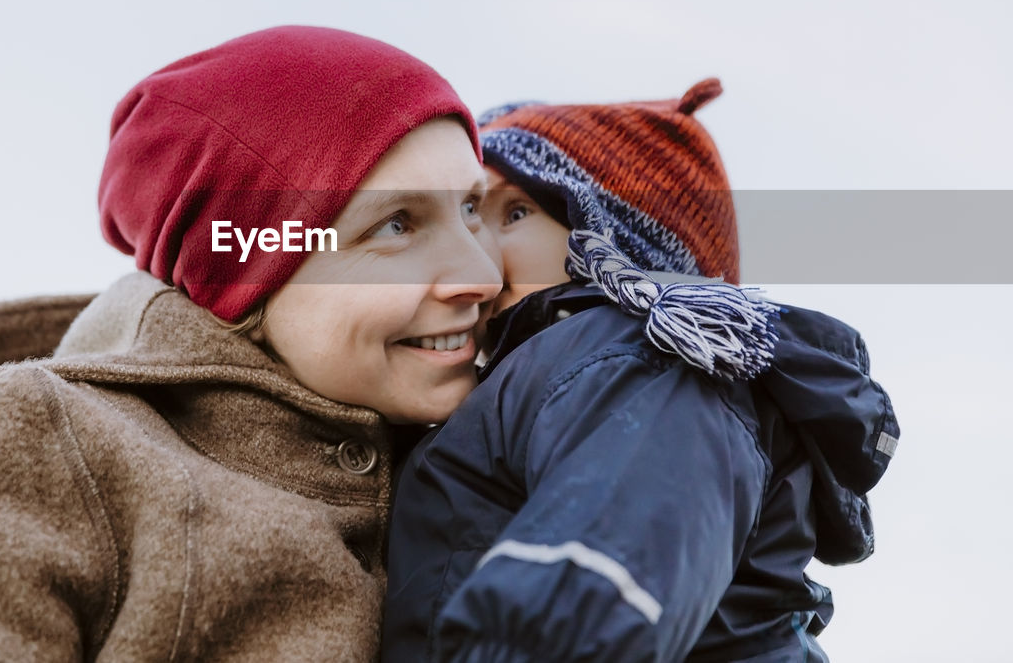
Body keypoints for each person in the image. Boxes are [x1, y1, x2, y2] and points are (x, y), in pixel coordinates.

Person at [0, 26, 504, 661]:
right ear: (240, 271)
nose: (483, 273)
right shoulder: (41, 442)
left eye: (471, 207)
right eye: (396, 225)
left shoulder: (490, 452)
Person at [382, 80, 900, 662]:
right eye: (472, 213)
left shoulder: (640, 365)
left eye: (516, 211)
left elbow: (591, 596)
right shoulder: (545, 378)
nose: (473, 250)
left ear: (615, 249)